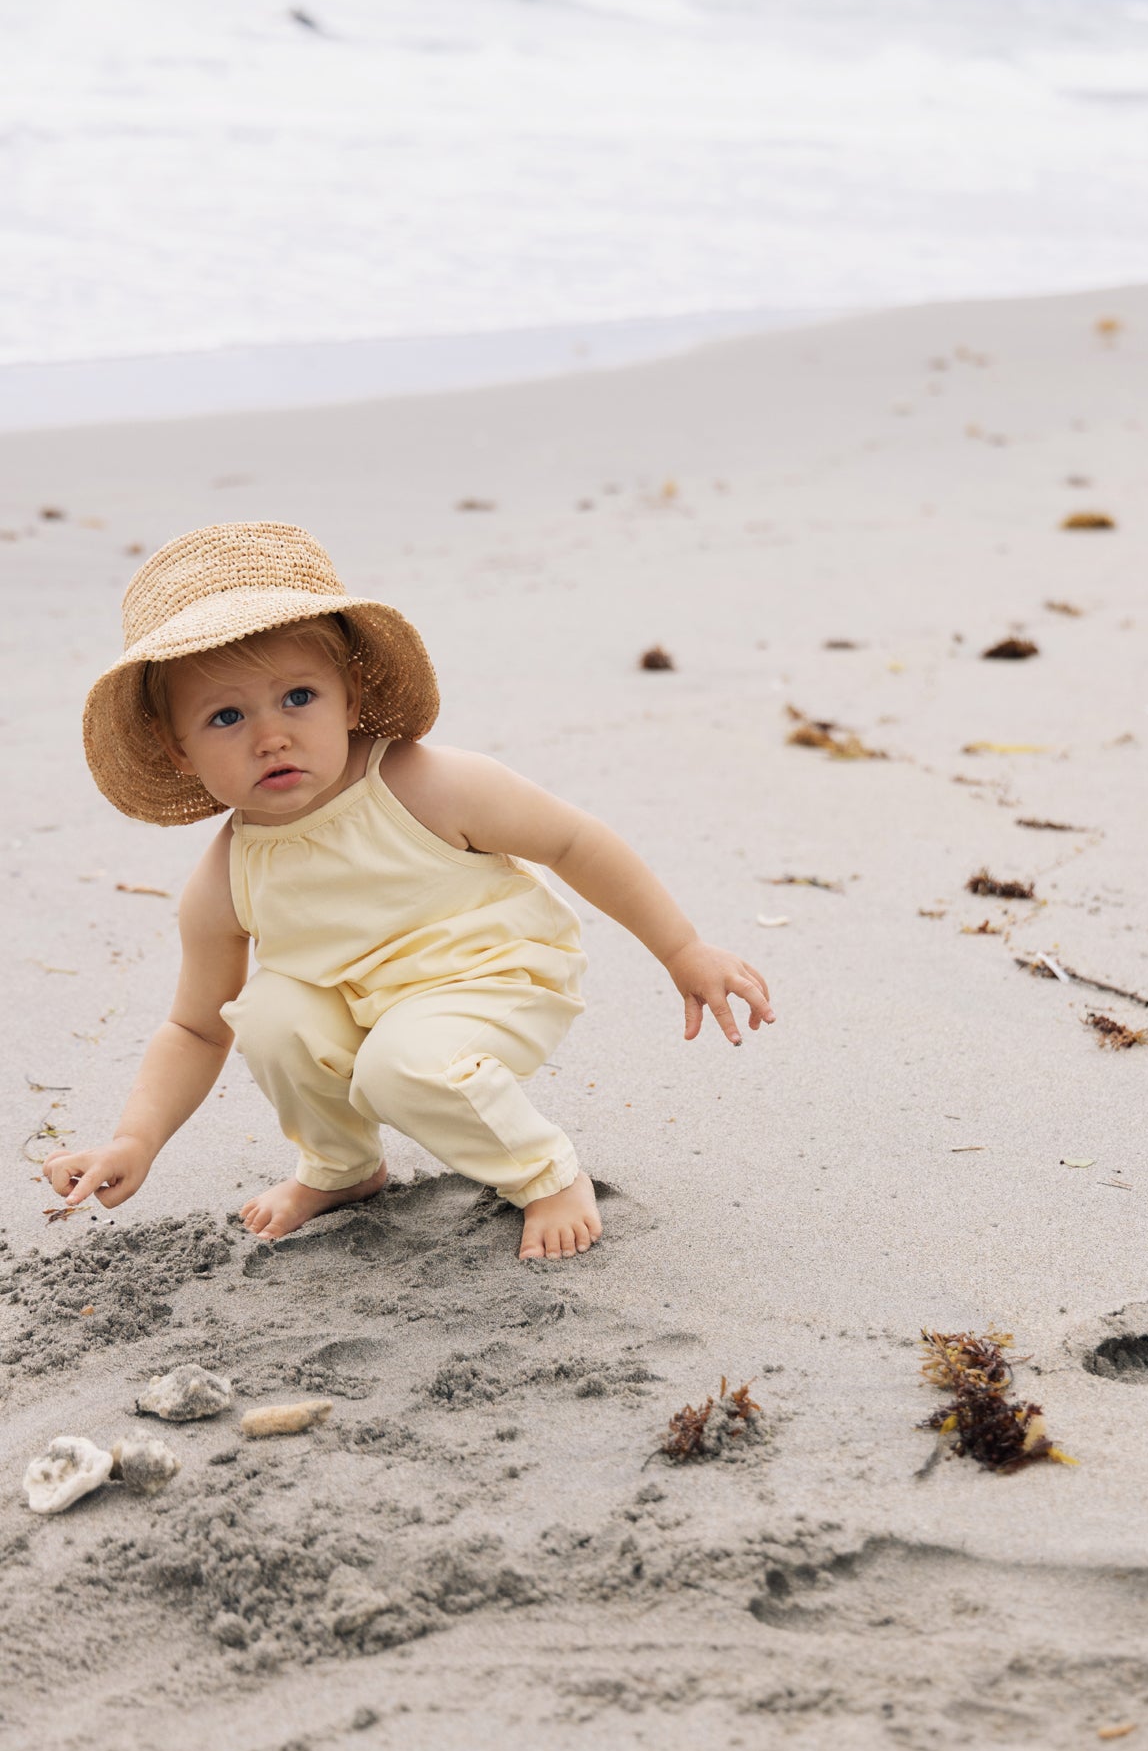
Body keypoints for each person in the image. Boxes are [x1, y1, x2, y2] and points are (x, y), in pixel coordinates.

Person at [43, 523, 775, 1260]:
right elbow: (197, 1028)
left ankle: (547, 1173)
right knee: (267, 1013)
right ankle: (341, 1166)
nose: (271, 736)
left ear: (351, 696)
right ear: (179, 749)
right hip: (366, 1005)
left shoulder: (422, 784)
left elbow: (572, 841)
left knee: (402, 1063)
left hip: (493, 973)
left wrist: (681, 948)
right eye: (225, 716)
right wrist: (136, 1139)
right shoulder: (223, 879)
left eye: (298, 696)